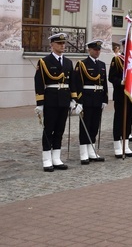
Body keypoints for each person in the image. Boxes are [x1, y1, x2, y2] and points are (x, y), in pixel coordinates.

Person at [34, 33, 78, 172]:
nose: (62, 46)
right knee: (49, 129)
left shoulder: (68, 62)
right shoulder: (44, 62)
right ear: (52, 45)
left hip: (64, 99)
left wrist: (73, 99)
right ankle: (46, 159)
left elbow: (72, 83)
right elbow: (39, 83)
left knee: (60, 129)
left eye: (63, 43)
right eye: (59, 43)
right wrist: (40, 103)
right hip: (51, 99)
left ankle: (56, 157)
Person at [71, 39, 108, 165]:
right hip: (86, 98)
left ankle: (92, 151)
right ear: (89, 50)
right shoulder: (82, 64)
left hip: (98, 98)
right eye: (95, 50)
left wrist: (105, 99)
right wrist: (78, 101)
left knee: (94, 125)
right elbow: (77, 83)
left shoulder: (102, 65)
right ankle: (83, 153)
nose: (97, 52)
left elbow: (104, 84)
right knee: (85, 125)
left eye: (99, 50)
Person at [110, 37, 132, 158]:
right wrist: (121, 82)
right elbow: (111, 77)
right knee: (119, 119)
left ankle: (126, 145)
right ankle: (117, 146)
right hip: (121, 94)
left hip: (131, 94)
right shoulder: (117, 59)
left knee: (129, 119)